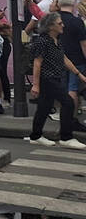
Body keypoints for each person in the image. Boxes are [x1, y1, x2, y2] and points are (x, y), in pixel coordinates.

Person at [27, 11, 86, 149]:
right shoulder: (42, 41)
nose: (63, 25)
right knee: (68, 102)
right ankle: (66, 137)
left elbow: (64, 59)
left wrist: (79, 74)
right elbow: (37, 63)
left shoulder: (57, 40)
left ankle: (35, 136)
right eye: (59, 23)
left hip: (55, 77)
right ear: (50, 26)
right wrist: (35, 85)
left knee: (44, 107)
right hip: (47, 78)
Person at [55, 0, 86, 115]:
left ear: (59, 4)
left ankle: (64, 115)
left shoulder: (53, 20)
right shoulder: (77, 22)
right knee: (73, 89)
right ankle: (71, 116)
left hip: (59, 58)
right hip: (77, 59)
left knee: (63, 88)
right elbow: (83, 44)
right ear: (72, 5)